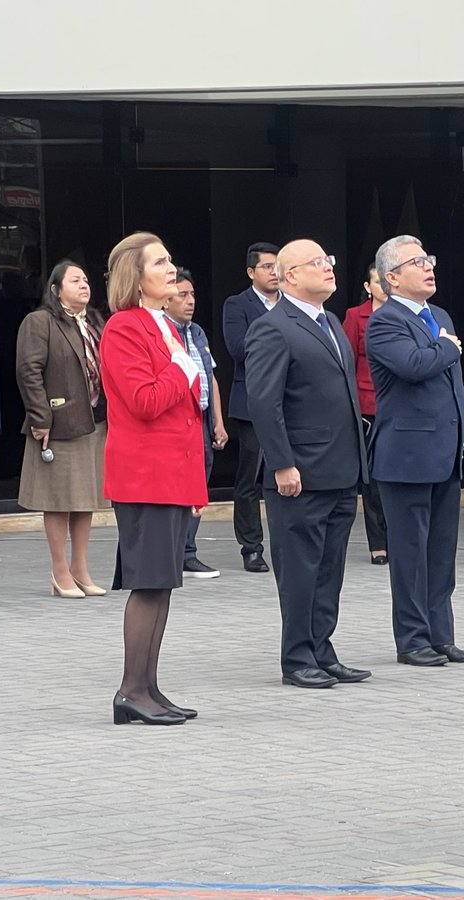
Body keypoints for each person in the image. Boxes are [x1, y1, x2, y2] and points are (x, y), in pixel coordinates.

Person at [245, 240, 372, 689]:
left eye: (329, 260)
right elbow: (264, 401)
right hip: (300, 473)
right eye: (317, 262)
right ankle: (296, 657)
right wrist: (282, 463)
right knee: (300, 569)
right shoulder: (273, 327)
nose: (328, 268)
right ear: (289, 275)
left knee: (330, 568)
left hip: (340, 468)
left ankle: (322, 649)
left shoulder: (331, 322)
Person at [100, 232, 207, 725]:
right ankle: (129, 691)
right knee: (147, 584)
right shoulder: (124, 327)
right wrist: (182, 368)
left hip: (169, 474)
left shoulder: (164, 325)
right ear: (135, 276)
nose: (171, 268)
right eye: (160, 262)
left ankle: (148, 686)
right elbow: (143, 401)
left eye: (170, 260)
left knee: (161, 583)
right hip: (145, 476)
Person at [367, 235, 464, 667]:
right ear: (392, 277)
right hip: (407, 454)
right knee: (411, 552)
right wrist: (446, 347)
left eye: (429, 258)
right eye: (418, 261)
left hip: (446, 450)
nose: (429, 266)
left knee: (441, 551)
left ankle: (442, 634)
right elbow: (414, 366)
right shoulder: (385, 320)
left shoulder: (439, 314)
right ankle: (412, 638)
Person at [15, 259, 109, 598]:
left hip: (95, 421)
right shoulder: (40, 322)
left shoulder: (95, 321)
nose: (84, 285)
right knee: (57, 499)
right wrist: (41, 417)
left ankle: (80, 567)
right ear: (56, 290)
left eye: (86, 279)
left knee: (86, 497)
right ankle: (59, 570)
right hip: (59, 423)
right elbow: (29, 371)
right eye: (75, 281)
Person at [164, 268, 227, 579]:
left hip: (200, 418)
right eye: (182, 295)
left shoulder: (197, 332)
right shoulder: (161, 332)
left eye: (192, 295)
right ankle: (172, 553)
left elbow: (209, 377)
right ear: (166, 300)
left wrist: (218, 420)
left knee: (198, 486)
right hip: (175, 422)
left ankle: (188, 552)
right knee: (175, 488)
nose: (190, 302)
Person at [222, 242, 280, 574]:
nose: (275, 273)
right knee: (251, 478)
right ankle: (251, 547)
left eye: (278, 266)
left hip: (290, 401)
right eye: (267, 267)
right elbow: (239, 348)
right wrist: (280, 331)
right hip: (253, 402)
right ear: (251, 272)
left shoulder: (292, 302)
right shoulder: (238, 304)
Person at [341, 264, 389, 566]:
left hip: (396, 404)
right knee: (371, 478)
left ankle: (396, 538)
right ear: (368, 286)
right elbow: (346, 361)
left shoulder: (404, 314)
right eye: (376, 282)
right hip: (367, 403)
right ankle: (378, 543)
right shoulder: (355, 316)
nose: (383, 286)